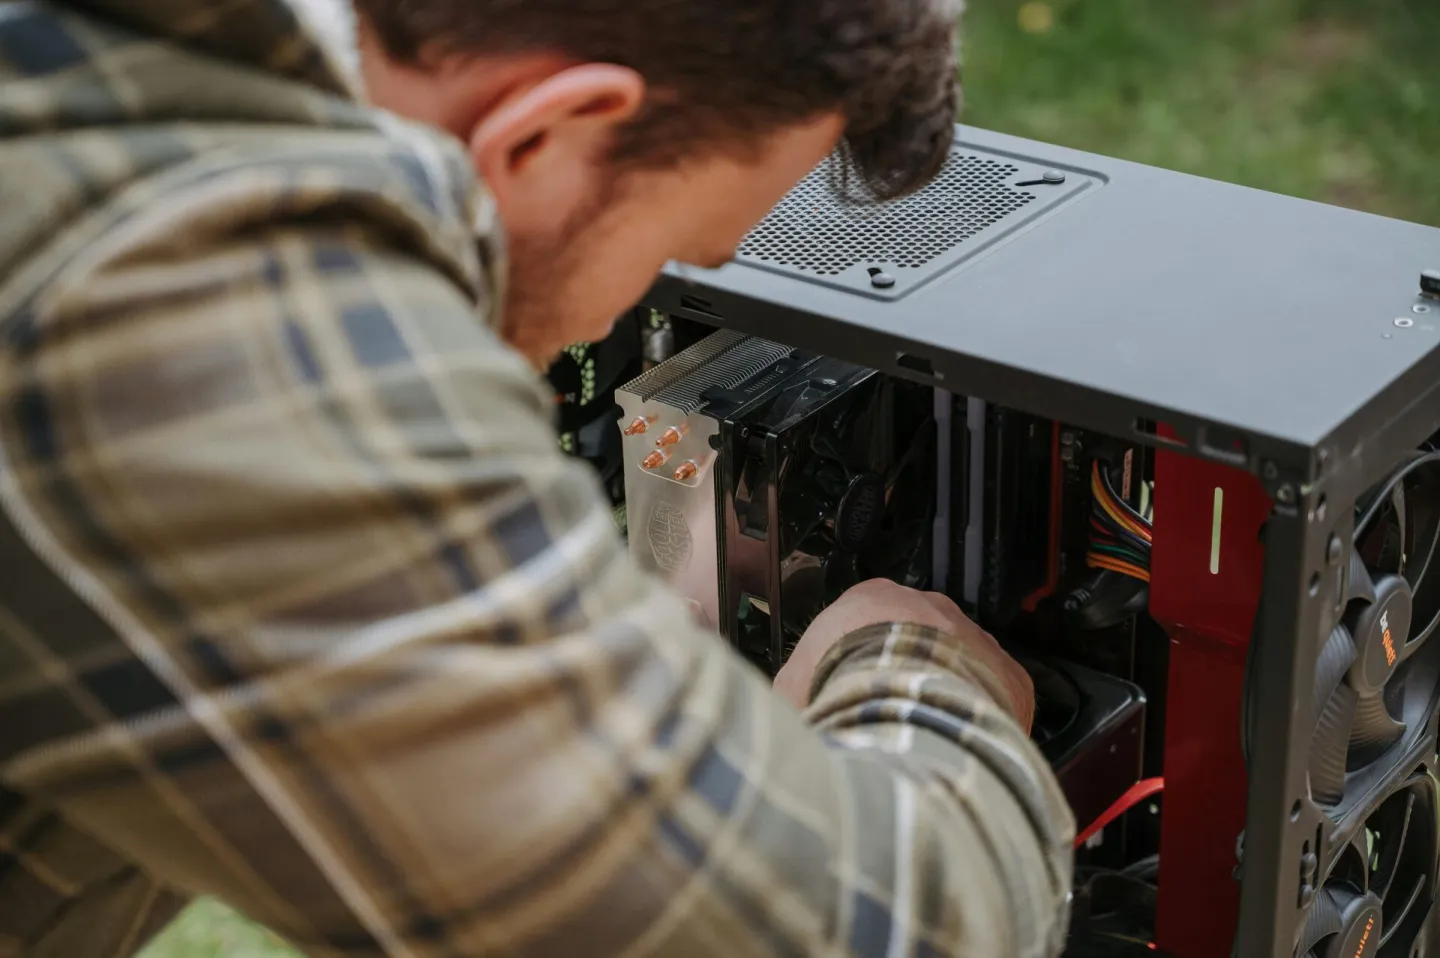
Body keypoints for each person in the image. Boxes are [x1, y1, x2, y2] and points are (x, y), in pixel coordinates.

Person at [0, 0, 1075, 955]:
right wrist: (915, 664)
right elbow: (867, 930)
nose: (629, 313)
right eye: (677, 256)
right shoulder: (202, 333)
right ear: (545, 134)